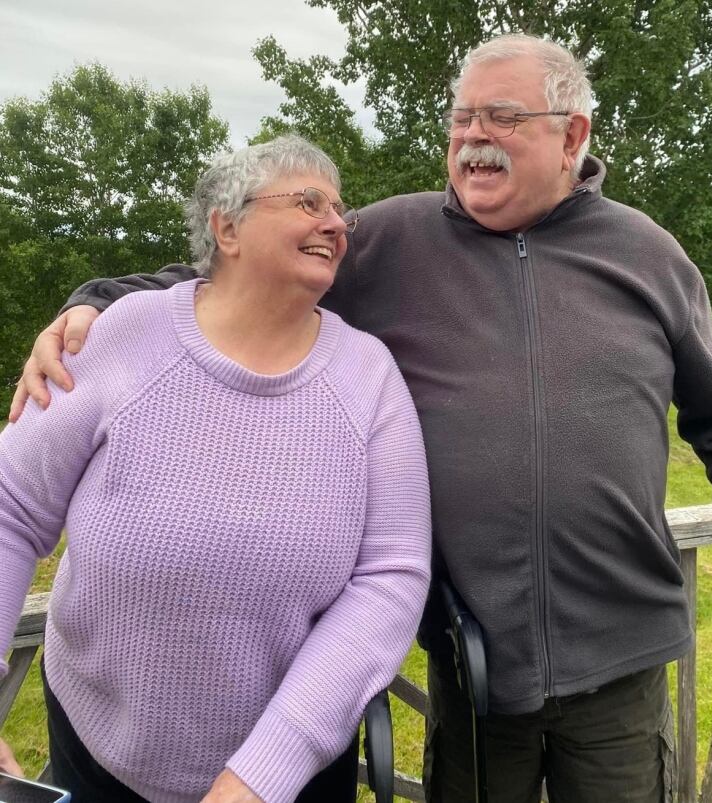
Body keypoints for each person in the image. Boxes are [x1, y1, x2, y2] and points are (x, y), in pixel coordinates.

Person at [9, 32, 712, 803]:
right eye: (460, 118)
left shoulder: (648, 256)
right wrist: (96, 302)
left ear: (572, 134)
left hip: (622, 657)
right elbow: (238, 278)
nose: (472, 135)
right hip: (477, 666)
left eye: (501, 116)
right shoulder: (394, 239)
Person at [0, 135, 431, 803]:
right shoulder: (120, 334)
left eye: (340, 208)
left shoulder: (369, 375)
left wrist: (265, 770)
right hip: (96, 749)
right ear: (226, 227)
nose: (336, 223)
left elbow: (391, 575)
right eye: (308, 201)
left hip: (292, 773)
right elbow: (11, 508)